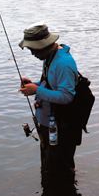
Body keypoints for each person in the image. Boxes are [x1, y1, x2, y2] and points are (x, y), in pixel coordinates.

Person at [18, 23, 81, 184]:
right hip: (49, 126)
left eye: (33, 50)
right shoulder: (50, 58)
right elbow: (52, 84)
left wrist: (36, 91)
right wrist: (35, 85)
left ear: (44, 46)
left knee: (60, 173)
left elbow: (67, 96)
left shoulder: (63, 63)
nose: (32, 53)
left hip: (61, 128)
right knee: (49, 170)